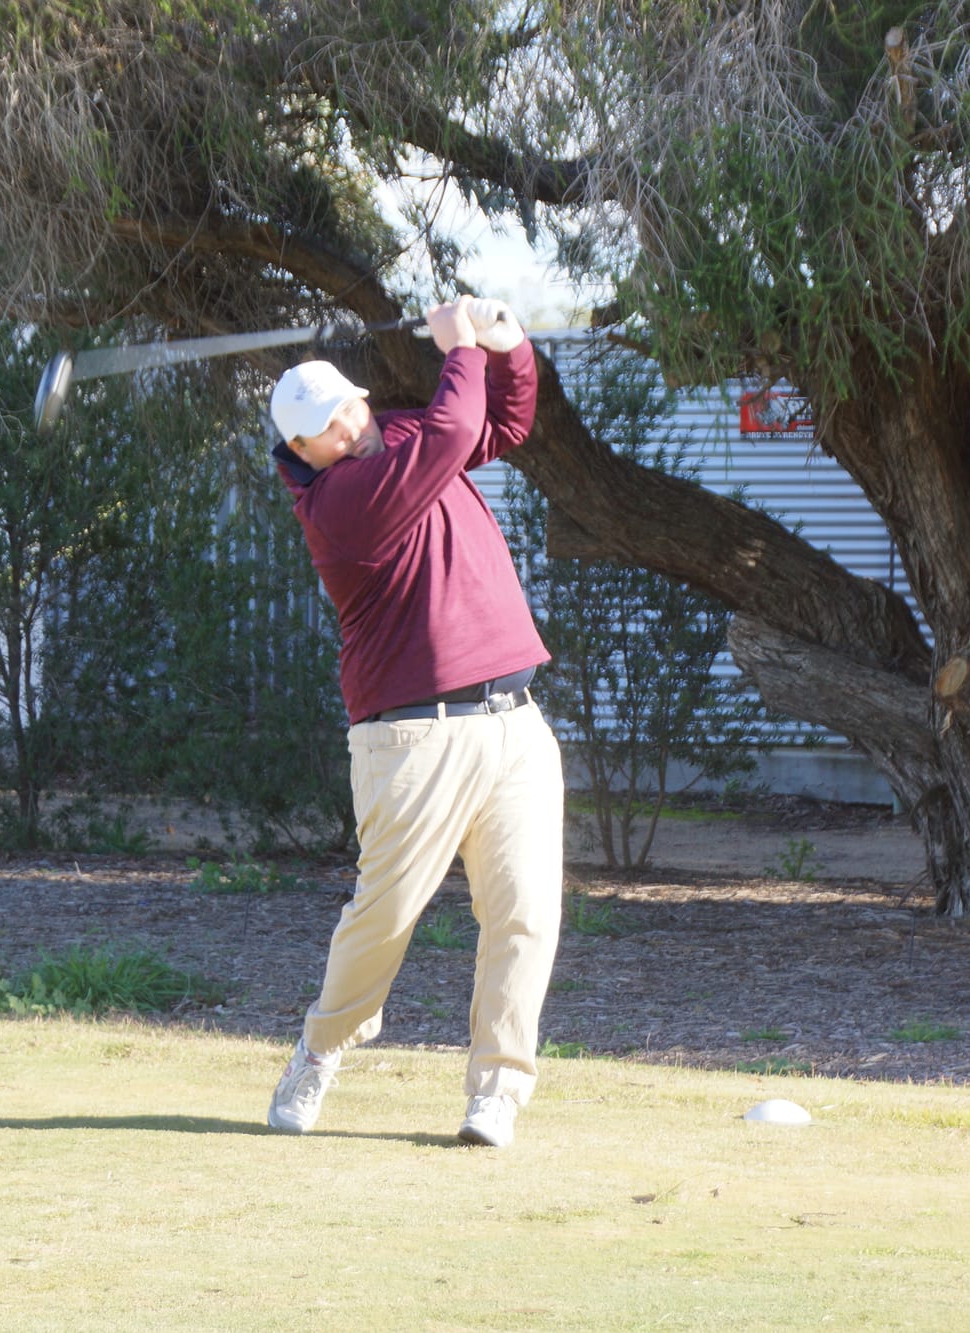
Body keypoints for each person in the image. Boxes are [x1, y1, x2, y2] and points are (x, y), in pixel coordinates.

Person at [264, 295, 565, 1148]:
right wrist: (459, 345)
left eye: (348, 405)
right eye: (326, 426)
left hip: (514, 722)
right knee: (385, 916)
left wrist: (507, 346)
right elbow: (454, 425)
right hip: (412, 738)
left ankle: (497, 1090)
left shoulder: (397, 434)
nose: (349, 424)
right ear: (302, 452)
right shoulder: (339, 504)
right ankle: (321, 1045)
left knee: (525, 913)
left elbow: (497, 423)